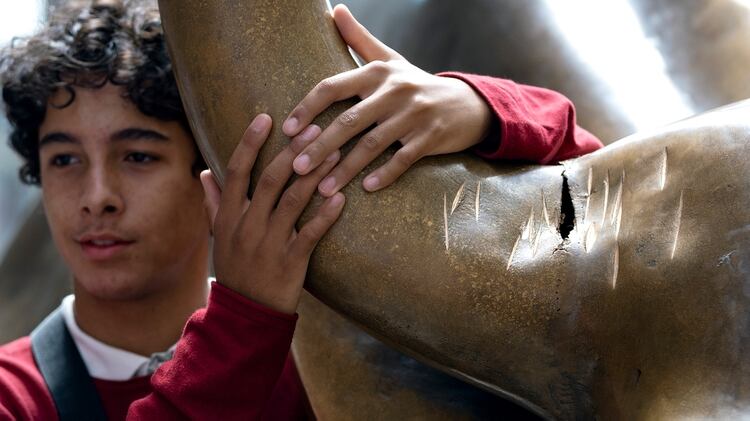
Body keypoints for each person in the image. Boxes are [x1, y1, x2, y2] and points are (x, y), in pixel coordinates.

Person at [0, 0, 602, 419]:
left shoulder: (335, 347)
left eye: (136, 157)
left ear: (213, 165)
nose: (96, 195)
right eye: (64, 160)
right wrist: (242, 323)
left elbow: (619, 219)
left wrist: (480, 108)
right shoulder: (13, 393)